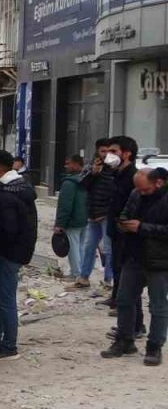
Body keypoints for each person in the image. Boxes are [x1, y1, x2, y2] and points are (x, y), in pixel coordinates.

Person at [0, 149, 37, 361]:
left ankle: (9, 345)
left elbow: (7, 229)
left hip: (7, 253)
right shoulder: (21, 187)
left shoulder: (5, 195)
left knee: (5, 299)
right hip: (13, 251)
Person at [111, 168, 168, 366]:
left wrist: (142, 227)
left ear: (158, 183)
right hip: (133, 256)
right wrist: (123, 223)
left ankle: (154, 346)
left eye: (145, 190)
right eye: (139, 189)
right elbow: (125, 213)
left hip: (159, 261)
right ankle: (125, 340)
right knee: (124, 299)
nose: (141, 193)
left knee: (158, 306)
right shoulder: (135, 193)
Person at [106, 136, 145, 335]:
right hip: (116, 232)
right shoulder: (116, 174)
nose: (109, 155)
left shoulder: (133, 177)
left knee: (128, 283)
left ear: (127, 153)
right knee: (121, 278)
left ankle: (134, 326)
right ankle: (131, 325)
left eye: (113, 151)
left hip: (127, 235)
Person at [82, 138, 117, 289]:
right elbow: (82, 184)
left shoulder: (114, 168)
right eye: (103, 151)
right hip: (92, 213)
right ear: (97, 151)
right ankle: (83, 277)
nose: (105, 154)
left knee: (108, 249)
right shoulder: (91, 166)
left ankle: (108, 279)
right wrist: (93, 173)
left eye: (109, 151)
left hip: (107, 213)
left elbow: (115, 189)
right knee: (89, 246)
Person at [56, 155, 91, 286]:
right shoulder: (87, 180)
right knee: (80, 246)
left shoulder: (69, 183)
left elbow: (65, 206)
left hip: (73, 220)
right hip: (85, 218)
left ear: (77, 164)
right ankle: (80, 272)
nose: (66, 166)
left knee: (73, 247)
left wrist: (60, 224)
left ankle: (75, 274)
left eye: (68, 163)